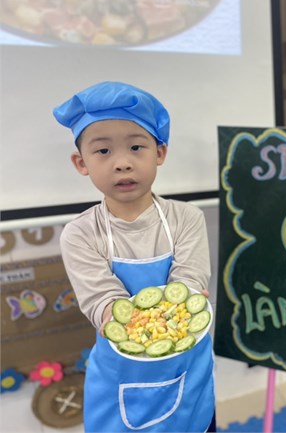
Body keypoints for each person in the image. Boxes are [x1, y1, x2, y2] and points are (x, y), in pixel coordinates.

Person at [53, 81, 216, 432]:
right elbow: (102, 301)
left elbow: (189, 281)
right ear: (81, 163)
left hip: (187, 366)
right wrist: (145, 321)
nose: (122, 164)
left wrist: (185, 301)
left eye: (136, 147)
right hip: (121, 374)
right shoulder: (80, 234)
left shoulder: (187, 218)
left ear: (160, 153)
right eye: (103, 151)